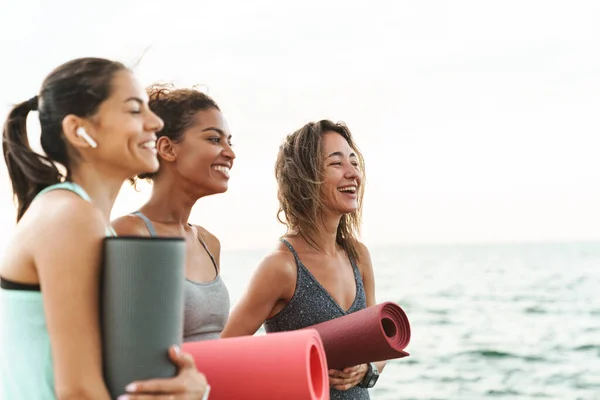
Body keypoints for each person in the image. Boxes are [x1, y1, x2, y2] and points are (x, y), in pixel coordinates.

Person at [0, 58, 209, 400]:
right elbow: (79, 392)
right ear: (79, 130)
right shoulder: (69, 217)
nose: (155, 122)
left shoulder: (83, 217)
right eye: (133, 110)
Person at [220, 120, 386, 399]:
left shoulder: (358, 257)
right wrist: (299, 366)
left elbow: (376, 347)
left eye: (354, 163)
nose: (352, 174)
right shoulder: (281, 266)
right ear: (305, 178)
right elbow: (222, 356)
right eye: (336, 163)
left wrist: (366, 369)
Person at [112, 84, 234, 342]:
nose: (230, 153)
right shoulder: (130, 235)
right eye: (214, 139)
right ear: (167, 149)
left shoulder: (209, 243)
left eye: (229, 141)